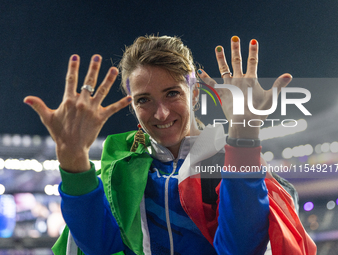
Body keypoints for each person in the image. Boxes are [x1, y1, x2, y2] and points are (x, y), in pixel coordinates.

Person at [24, 35, 316, 255]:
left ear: (195, 92)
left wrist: (242, 134)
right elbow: (99, 249)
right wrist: (74, 161)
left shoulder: (227, 161)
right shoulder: (120, 167)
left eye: (172, 93)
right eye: (144, 100)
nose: (161, 113)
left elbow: (240, 249)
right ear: (132, 105)